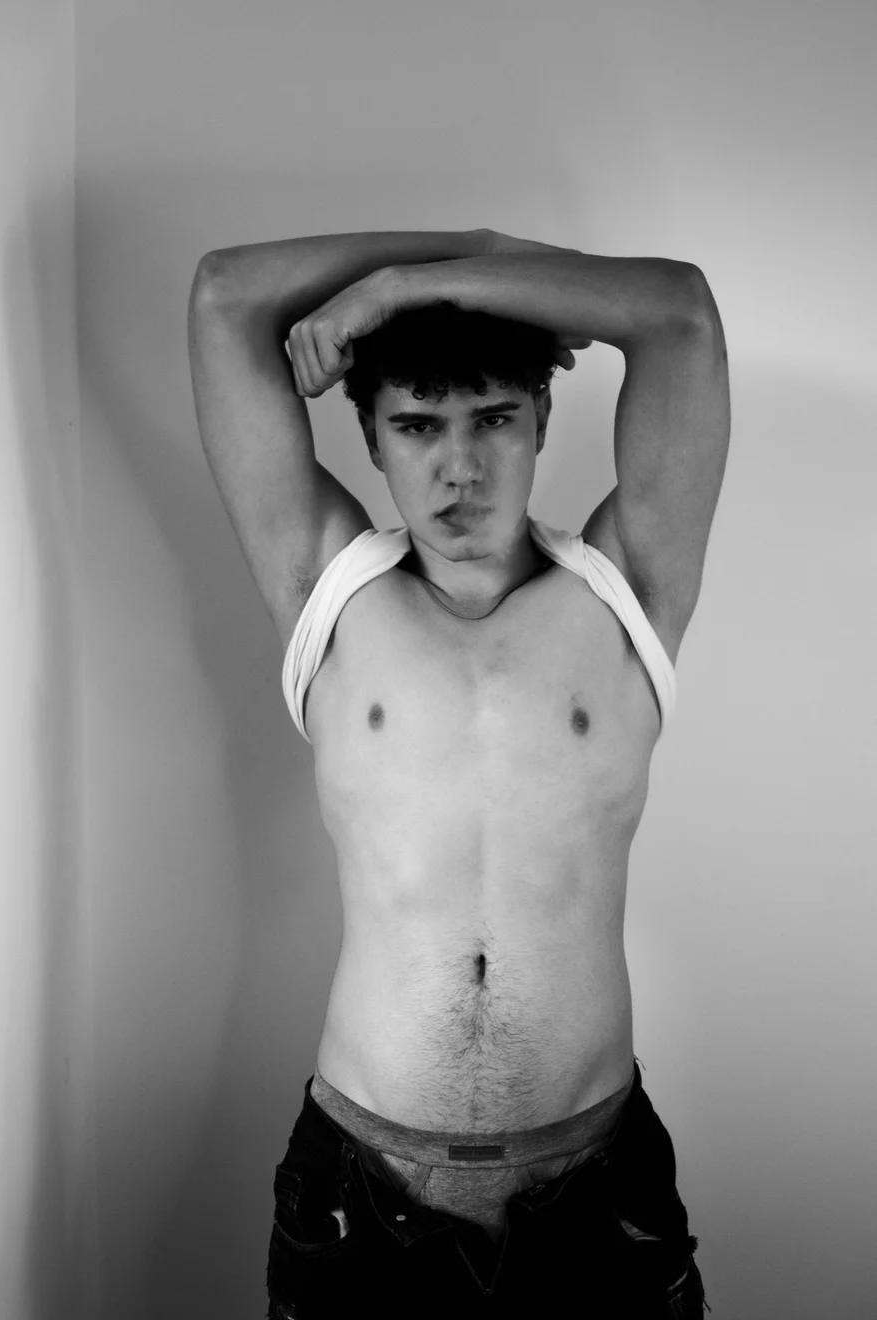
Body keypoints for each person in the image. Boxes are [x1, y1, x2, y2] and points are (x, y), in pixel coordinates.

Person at [187, 227, 729, 1318]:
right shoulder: (328, 594)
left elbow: (678, 313)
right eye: (417, 426)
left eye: (493, 419)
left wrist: (408, 285)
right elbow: (222, 297)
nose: (460, 468)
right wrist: (417, 278)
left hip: (595, 1192)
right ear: (372, 440)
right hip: (361, 1190)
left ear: (541, 421)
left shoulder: (626, 593)